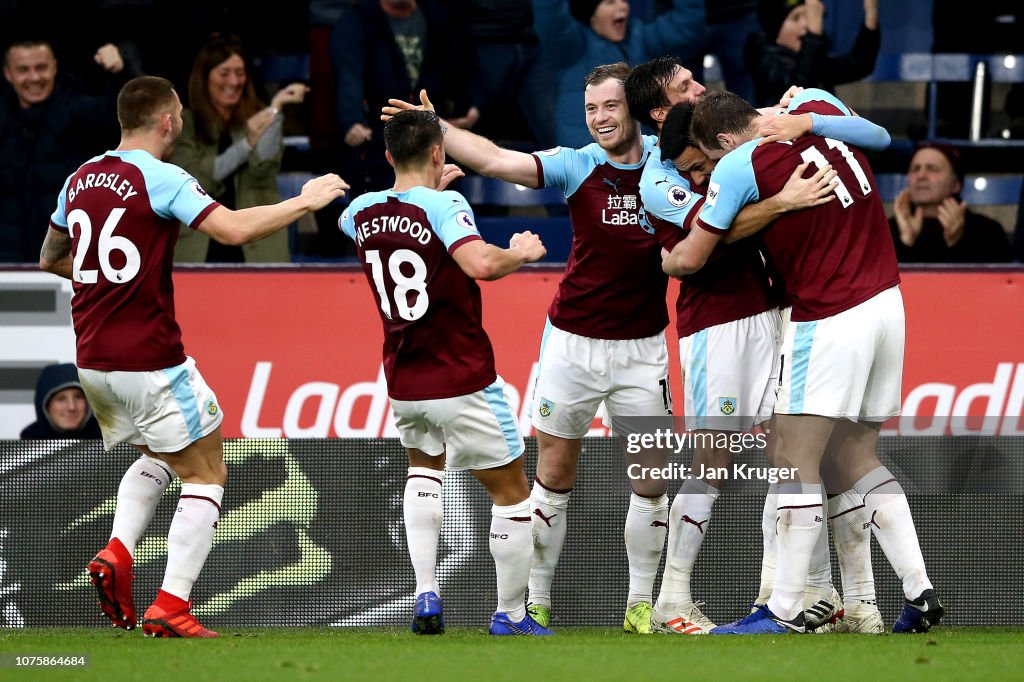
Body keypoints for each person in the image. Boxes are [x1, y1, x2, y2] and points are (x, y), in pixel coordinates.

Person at [38, 75, 347, 637]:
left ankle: (117, 550)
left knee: (162, 452)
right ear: (168, 121)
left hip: (92, 361)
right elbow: (230, 230)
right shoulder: (162, 176)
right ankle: (171, 605)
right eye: (178, 115)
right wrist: (304, 200)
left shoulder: (79, 178)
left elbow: (50, 256)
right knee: (208, 469)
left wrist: (110, 280)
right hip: (148, 355)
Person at [384, 64, 676, 634]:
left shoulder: (668, 164)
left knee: (651, 482)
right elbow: (494, 159)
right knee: (554, 475)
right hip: (572, 344)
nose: (600, 119)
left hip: (644, 349)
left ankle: (641, 605)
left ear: (633, 109)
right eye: (591, 109)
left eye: (611, 106)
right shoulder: (576, 164)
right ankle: (535, 601)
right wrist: (436, 126)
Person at [626, 55, 891, 634]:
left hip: (777, 308)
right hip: (718, 322)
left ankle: (806, 597)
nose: (700, 87)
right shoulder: (662, 173)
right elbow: (709, 234)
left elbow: (870, 134)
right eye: (684, 86)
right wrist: (781, 201)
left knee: (795, 455)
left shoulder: (732, 134)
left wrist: (799, 119)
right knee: (713, 459)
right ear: (658, 110)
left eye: (696, 81)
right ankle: (672, 599)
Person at [664, 88, 943, 635]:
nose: (709, 172)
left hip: (831, 314)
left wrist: (669, 257)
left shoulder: (743, 161)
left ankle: (785, 608)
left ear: (723, 140)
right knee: (857, 457)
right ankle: (919, 590)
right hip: (889, 302)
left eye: (708, 159)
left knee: (794, 457)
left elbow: (693, 256)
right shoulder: (824, 116)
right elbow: (883, 137)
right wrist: (805, 121)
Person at [338, 109, 551, 636]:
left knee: (423, 471)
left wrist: (432, 194)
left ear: (388, 156)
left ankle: (426, 591)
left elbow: (400, 222)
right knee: (512, 494)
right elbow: (479, 264)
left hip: (404, 379)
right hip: (461, 375)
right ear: (439, 153)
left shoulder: (359, 212)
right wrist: (520, 253)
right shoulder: (445, 203)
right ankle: (511, 614)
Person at [172, 33, 309, 263]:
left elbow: (263, 169)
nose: (234, 82)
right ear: (204, 78)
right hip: (201, 247)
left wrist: (276, 108)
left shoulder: (257, 114)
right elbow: (199, 181)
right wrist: (247, 143)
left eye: (240, 73)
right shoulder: (184, 123)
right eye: (224, 73)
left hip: (254, 244)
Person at [330, 0, 477, 199]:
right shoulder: (358, 20)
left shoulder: (438, 16)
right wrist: (352, 119)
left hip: (434, 134)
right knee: (386, 209)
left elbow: (462, 66)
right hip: (381, 136)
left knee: (444, 207)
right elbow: (349, 75)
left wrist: (470, 106)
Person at [0, 37, 126, 262]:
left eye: (41, 67)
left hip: (66, 261)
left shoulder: (77, 110)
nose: (34, 77)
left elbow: (122, 117)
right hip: (7, 264)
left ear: (55, 67)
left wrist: (118, 73)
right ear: (8, 74)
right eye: (23, 70)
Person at [533, 0, 705, 147]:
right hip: (589, 159)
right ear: (591, 14)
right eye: (610, 2)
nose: (622, 6)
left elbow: (687, 22)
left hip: (639, 153)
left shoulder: (639, 36)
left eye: (623, 0)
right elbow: (550, 13)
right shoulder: (571, 46)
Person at [743, 0, 881, 108]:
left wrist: (871, 14)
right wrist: (814, 34)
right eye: (796, 18)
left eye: (809, 17)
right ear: (774, 28)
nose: (806, 25)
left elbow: (858, 65)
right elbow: (797, 90)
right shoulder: (762, 55)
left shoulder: (813, 57)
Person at [890, 142, 1011, 263]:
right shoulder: (887, 230)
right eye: (915, 169)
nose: (921, 175)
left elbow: (993, 279)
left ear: (956, 185)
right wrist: (905, 242)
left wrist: (957, 243)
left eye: (932, 169)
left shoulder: (986, 232)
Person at [20, 363, 102, 439]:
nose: (72, 407)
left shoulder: (111, 443)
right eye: (61, 399)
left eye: (78, 397)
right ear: (45, 406)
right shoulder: (27, 447)